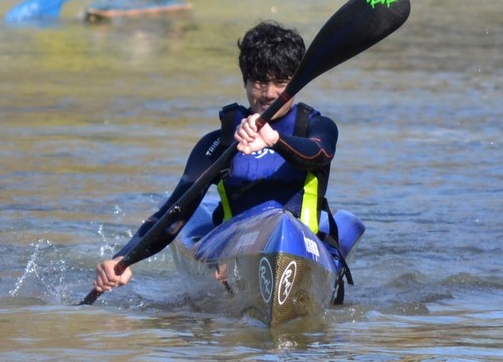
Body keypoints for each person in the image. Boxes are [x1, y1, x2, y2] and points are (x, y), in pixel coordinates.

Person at [92, 20, 339, 295]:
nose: (269, 93)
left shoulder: (316, 128)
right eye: (259, 82)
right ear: (245, 81)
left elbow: (320, 154)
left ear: (296, 83)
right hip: (236, 250)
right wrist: (123, 259)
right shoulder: (220, 142)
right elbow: (175, 210)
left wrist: (274, 140)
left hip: (302, 247)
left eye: (281, 82)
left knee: (282, 224)